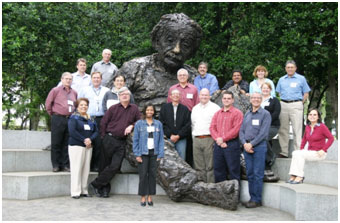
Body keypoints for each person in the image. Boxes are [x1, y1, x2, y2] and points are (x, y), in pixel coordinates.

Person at [118, 13, 203, 113]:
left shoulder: (195, 78)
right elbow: (113, 102)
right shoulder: (134, 69)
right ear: (156, 41)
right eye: (170, 40)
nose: (177, 49)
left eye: (185, 45)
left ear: (192, 52)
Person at [89, 87, 141, 198]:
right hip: (109, 139)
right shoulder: (113, 108)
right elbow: (103, 122)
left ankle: (95, 184)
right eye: (122, 94)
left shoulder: (134, 108)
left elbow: (140, 121)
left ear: (129, 96)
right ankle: (104, 190)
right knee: (104, 165)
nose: (124, 95)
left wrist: (132, 125)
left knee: (115, 166)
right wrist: (104, 137)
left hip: (122, 142)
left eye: (126, 94)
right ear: (118, 96)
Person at [239, 92, 271, 208]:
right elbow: (241, 131)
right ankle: (252, 198)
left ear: (261, 100)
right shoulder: (247, 113)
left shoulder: (265, 114)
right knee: (250, 174)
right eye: (253, 98)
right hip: (247, 147)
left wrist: (251, 144)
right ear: (250, 100)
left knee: (258, 174)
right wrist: (244, 144)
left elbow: (263, 133)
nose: (256, 100)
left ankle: (256, 199)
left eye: (258, 98)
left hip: (259, 147)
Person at [287, 108, 334, 184]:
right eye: (310, 114)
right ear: (308, 116)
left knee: (299, 154)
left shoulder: (322, 127)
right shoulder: (308, 127)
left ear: (318, 117)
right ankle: (293, 175)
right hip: (310, 152)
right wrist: (301, 149)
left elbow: (331, 138)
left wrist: (323, 149)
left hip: (319, 153)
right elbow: (304, 140)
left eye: (315, 115)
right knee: (295, 153)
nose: (312, 116)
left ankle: (300, 176)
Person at [276, 60, 311, 158]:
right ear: (285, 68)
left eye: (292, 67)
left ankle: (297, 152)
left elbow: (306, 93)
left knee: (297, 129)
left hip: (296, 104)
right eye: (288, 67)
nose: (290, 69)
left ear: (295, 68)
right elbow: (279, 92)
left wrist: (300, 103)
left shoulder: (301, 78)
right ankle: (284, 152)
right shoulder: (281, 79)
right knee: (283, 129)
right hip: (283, 104)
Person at [133, 104, 165, 206]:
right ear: (144, 111)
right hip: (143, 153)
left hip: (154, 153)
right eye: (148, 110)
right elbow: (135, 140)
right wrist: (137, 154)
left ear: (154, 112)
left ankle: (150, 196)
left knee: (152, 175)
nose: (149, 112)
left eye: (151, 110)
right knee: (143, 175)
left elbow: (161, 140)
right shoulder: (139, 124)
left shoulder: (158, 124)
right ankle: (143, 197)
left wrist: (160, 154)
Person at [77, 71, 109, 172]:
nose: (96, 79)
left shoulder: (106, 90)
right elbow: (79, 103)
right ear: (91, 79)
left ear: (101, 79)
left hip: (101, 118)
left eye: (98, 78)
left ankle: (95, 164)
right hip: (88, 118)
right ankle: (85, 165)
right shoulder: (84, 90)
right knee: (87, 140)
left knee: (99, 142)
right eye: (94, 78)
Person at [45, 72, 77, 172]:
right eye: (66, 79)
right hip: (58, 118)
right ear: (62, 79)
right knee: (56, 142)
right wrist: (54, 115)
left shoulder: (74, 92)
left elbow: (75, 106)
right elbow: (48, 104)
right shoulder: (55, 90)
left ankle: (65, 165)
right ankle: (55, 165)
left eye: (70, 79)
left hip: (70, 119)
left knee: (67, 142)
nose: (68, 80)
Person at [210, 90, 243, 183]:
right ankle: (221, 196)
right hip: (218, 145)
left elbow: (236, 130)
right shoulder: (217, 113)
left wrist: (223, 139)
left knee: (234, 171)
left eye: (229, 98)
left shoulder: (238, 113)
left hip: (232, 145)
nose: (226, 100)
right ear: (222, 100)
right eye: (224, 98)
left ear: (233, 100)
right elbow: (212, 127)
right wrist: (218, 139)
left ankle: (234, 196)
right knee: (218, 171)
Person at [68, 98, 98, 199]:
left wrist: (90, 139)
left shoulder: (91, 119)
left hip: (88, 146)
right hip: (77, 146)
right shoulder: (73, 118)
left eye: (85, 105)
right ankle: (75, 192)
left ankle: (84, 191)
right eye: (81, 105)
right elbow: (73, 132)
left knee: (86, 169)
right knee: (76, 169)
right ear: (77, 106)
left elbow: (96, 132)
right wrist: (84, 140)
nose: (83, 107)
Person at [191, 88, 220, 183]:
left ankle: (210, 187)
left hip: (209, 138)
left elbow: (218, 125)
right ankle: (201, 187)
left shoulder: (215, 108)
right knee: (199, 166)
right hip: (196, 139)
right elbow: (193, 124)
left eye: (206, 95)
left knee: (210, 166)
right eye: (202, 95)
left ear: (209, 96)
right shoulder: (195, 108)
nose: (204, 97)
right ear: (199, 96)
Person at [160, 89, 191, 160]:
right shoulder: (164, 108)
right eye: (173, 94)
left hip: (181, 139)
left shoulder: (185, 109)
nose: (175, 96)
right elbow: (162, 123)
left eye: (177, 94)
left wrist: (178, 135)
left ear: (180, 97)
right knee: (168, 160)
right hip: (168, 138)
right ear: (170, 96)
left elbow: (188, 124)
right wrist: (170, 135)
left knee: (181, 159)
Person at [261, 82, 281, 166]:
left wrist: (265, 122)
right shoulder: (257, 99)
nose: (265, 90)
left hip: (272, 126)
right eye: (264, 88)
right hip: (259, 127)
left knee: (263, 137)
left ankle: (271, 156)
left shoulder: (275, 100)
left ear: (270, 89)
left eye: (267, 88)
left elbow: (276, 113)